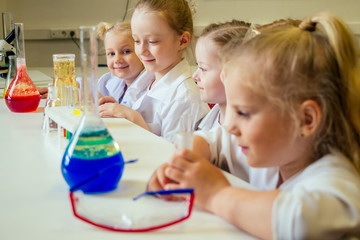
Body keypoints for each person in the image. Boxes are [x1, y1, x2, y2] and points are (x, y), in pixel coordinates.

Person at [147, 12, 360, 239]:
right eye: (231, 109)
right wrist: (183, 165)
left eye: (244, 113)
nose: (230, 124)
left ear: (305, 120)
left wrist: (216, 194)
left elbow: (298, 223)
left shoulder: (340, 184)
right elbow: (213, 139)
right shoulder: (271, 148)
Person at [100, 0, 209, 143]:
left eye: (152, 42)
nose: (142, 51)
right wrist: (118, 110)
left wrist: (134, 119)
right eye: (137, 41)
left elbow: (172, 159)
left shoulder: (184, 98)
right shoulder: (146, 80)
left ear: (182, 41)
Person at [96, 21, 155, 116]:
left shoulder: (152, 88)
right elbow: (84, 84)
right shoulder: (110, 80)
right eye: (111, 54)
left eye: (126, 51)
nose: (117, 60)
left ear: (142, 51)